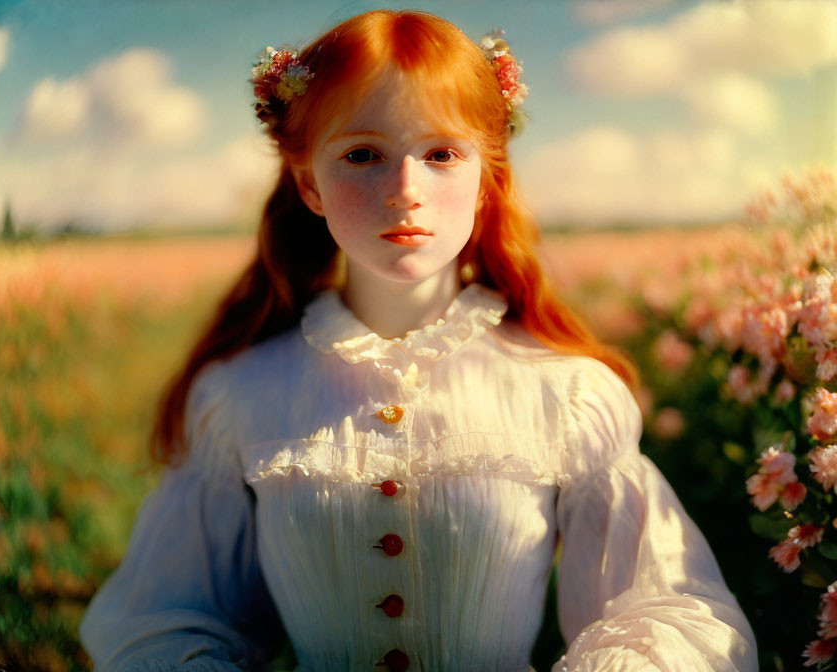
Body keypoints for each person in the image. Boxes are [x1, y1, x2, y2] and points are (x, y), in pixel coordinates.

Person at [79, 9, 758, 671]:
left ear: (484, 177)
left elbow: (663, 607)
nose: (405, 189)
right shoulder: (239, 395)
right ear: (309, 182)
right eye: (364, 155)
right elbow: (164, 617)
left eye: (440, 154)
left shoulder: (565, 393)